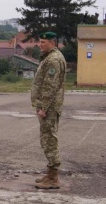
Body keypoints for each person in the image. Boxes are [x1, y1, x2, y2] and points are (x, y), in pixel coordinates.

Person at [31, 31, 66, 190]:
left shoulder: (53, 60)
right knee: (47, 138)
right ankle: (50, 174)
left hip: (49, 108)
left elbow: (49, 87)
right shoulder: (52, 57)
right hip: (50, 107)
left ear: (52, 43)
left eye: (43, 42)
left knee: (49, 140)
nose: (40, 44)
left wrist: (43, 108)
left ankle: (53, 178)